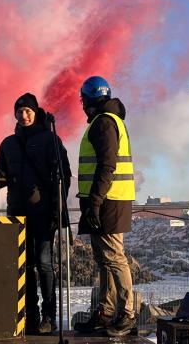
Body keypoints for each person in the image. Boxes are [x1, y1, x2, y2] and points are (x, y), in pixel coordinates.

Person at [0, 93, 71, 334]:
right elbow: (1, 173)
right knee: (24, 264)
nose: (23, 116)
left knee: (44, 263)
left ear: (36, 113)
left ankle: (49, 316)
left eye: (28, 111)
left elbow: (64, 175)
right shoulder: (8, 144)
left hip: (44, 213)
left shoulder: (51, 140)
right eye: (19, 112)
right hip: (17, 213)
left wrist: (58, 208)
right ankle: (30, 314)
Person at [71, 76, 137, 337]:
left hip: (108, 200)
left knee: (113, 257)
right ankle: (106, 312)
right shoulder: (109, 120)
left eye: (83, 100)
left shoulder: (104, 123)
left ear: (87, 99)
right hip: (103, 199)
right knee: (103, 260)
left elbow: (107, 165)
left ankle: (127, 313)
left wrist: (96, 202)